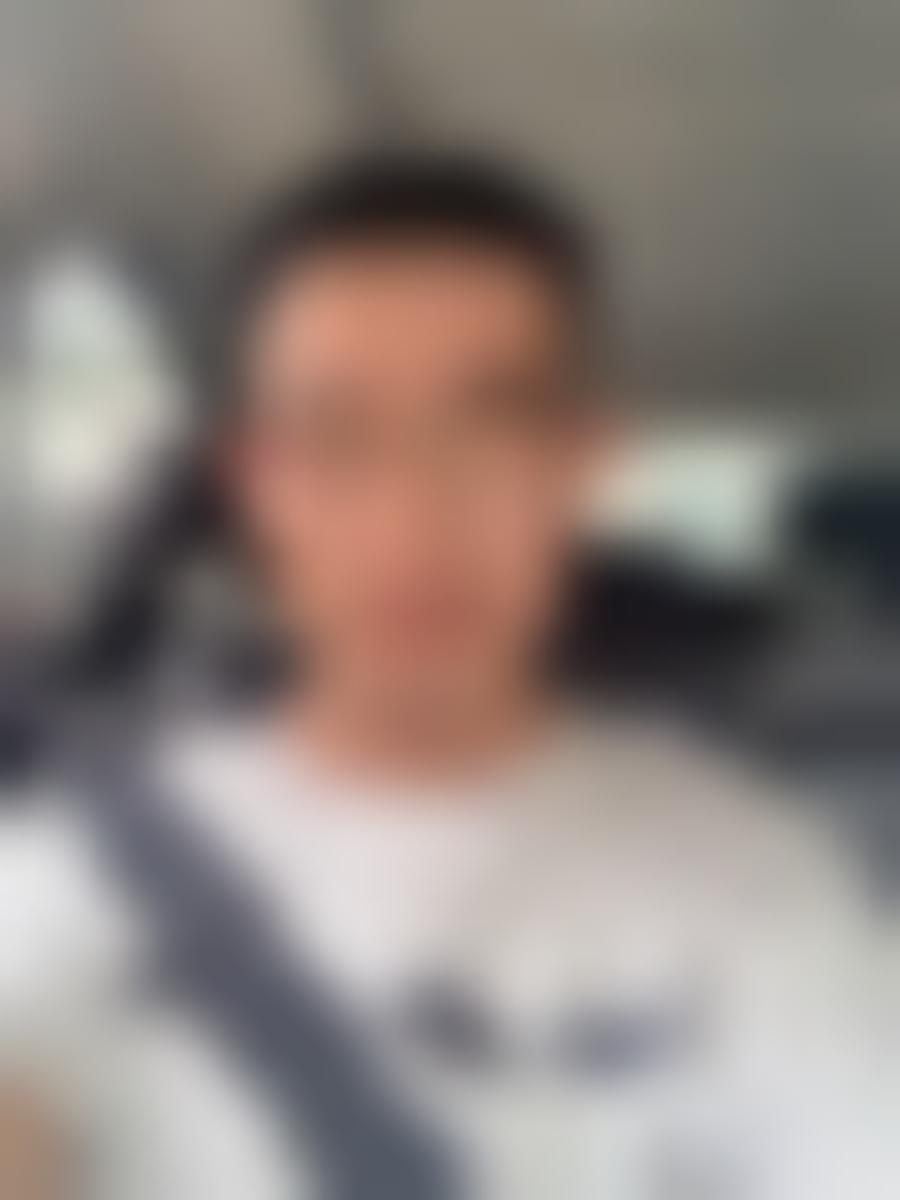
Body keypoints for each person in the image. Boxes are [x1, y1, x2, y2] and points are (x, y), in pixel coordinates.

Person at [0, 152, 894, 1199]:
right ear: (257, 483)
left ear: (579, 462)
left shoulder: (756, 887)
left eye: (489, 431)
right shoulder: (73, 867)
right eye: (337, 438)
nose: (412, 520)